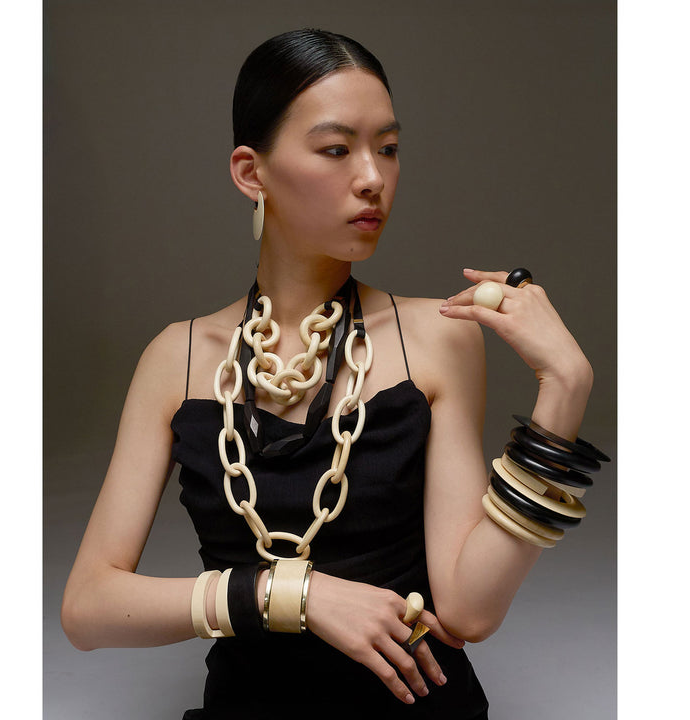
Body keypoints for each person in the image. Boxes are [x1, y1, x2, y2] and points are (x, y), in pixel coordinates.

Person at [61, 29, 605, 719]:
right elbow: (88, 607)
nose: (373, 176)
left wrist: (565, 386)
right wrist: (296, 595)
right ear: (251, 173)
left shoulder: (438, 338)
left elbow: (469, 611)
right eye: (337, 149)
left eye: (388, 148)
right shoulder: (178, 358)